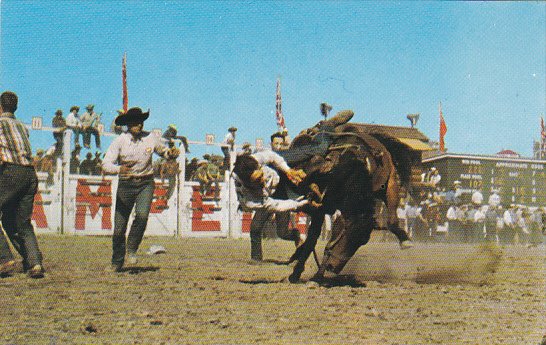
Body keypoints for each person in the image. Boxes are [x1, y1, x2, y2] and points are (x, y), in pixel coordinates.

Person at [102, 107, 179, 272]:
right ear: (128, 125)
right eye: (135, 122)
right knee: (119, 227)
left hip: (145, 182)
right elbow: (106, 164)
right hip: (126, 183)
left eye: (141, 122)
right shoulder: (119, 141)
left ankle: (131, 248)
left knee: (142, 216)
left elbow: (163, 151)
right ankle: (117, 261)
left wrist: (171, 153)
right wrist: (118, 169)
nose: (139, 125)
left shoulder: (151, 138)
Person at [232, 151, 312, 263]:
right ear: (248, 183)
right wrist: (300, 204)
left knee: (282, 233)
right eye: (257, 180)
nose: (262, 180)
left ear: (258, 165)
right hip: (269, 198)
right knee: (258, 228)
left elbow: (272, 156)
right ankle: (256, 259)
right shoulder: (250, 198)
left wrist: (288, 170)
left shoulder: (253, 160)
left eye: (260, 175)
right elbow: (277, 206)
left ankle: (322, 145)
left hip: (280, 181)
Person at [0, 91, 45, 278]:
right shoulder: (21, 126)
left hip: (12, 172)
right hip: (29, 174)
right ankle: (34, 263)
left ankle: (3, 258)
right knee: (20, 222)